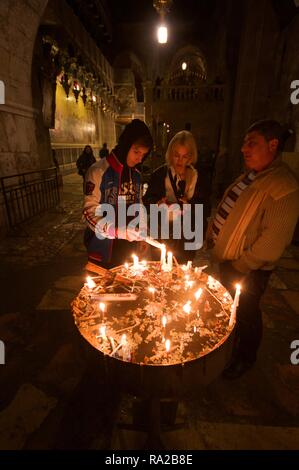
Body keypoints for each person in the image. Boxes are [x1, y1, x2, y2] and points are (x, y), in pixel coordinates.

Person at [206, 119, 299, 379]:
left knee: (246, 312)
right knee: (231, 309)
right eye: (245, 143)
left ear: (273, 145)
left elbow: (272, 242)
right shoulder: (253, 174)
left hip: (248, 269)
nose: (243, 149)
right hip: (231, 263)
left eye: (251, 143)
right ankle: (228, 348)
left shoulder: (283, 186)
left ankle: (244, 359)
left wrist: (239, 266)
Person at [83, 119, 153, 268]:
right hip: (102, 249)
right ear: (126, 144)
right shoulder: (98, 171)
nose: (139, 158)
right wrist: (116, 231)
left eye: (143, 154)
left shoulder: (136, 175)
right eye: (136, 152)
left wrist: (142, 234)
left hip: (128, 251)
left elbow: (139, 205)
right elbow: (89, 213)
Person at [143, 130, 211, 263]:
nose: (180, 160)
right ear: (170, 154)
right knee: (160, 271)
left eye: (184, 156)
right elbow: (147, 201)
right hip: (162, 234)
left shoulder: (199, 177)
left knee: (182, 272)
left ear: (191, 156)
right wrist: (157, 204)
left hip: (187, 237)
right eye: (176, 155)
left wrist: (189, 206)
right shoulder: (160, 175)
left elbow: (206, 208)